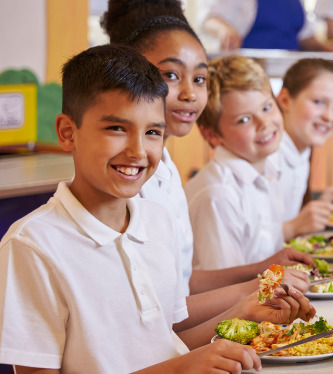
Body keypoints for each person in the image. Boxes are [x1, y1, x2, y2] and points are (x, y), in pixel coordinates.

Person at [0, 44, 270, 373]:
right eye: (117, 128)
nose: (137, 151)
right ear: (68, 133)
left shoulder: (159, 221)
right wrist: (179, 369)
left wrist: (243, 313)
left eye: (153, 132)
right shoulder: (33, 246)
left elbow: (166, 343)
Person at [100, 0, 314, 298]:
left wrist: (264, 269)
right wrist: (256, 289)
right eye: (171, 75)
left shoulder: (167, 171)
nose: (189, 93)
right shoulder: (128, 181)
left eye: (199, 78)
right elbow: (158, 317)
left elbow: (179, 285)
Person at [186, 55, 286, 270]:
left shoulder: (267, 170)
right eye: (244, 120)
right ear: (212, 135)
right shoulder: (218, 194)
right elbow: (223, 287)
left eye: (267, 107)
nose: (264, 123)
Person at [272, 58, 333, 240]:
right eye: (318, 102)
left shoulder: (301, 152)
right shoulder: (267, 156)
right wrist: (294, 227)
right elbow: (245, 244)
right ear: (284, 100)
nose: (329, 116)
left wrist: (320, 208)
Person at [199, 0, 333, 59]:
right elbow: (210, 19)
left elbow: (302, 35)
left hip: (290, 72)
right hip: (250, 71)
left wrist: (326, 49)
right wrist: (224, 29)